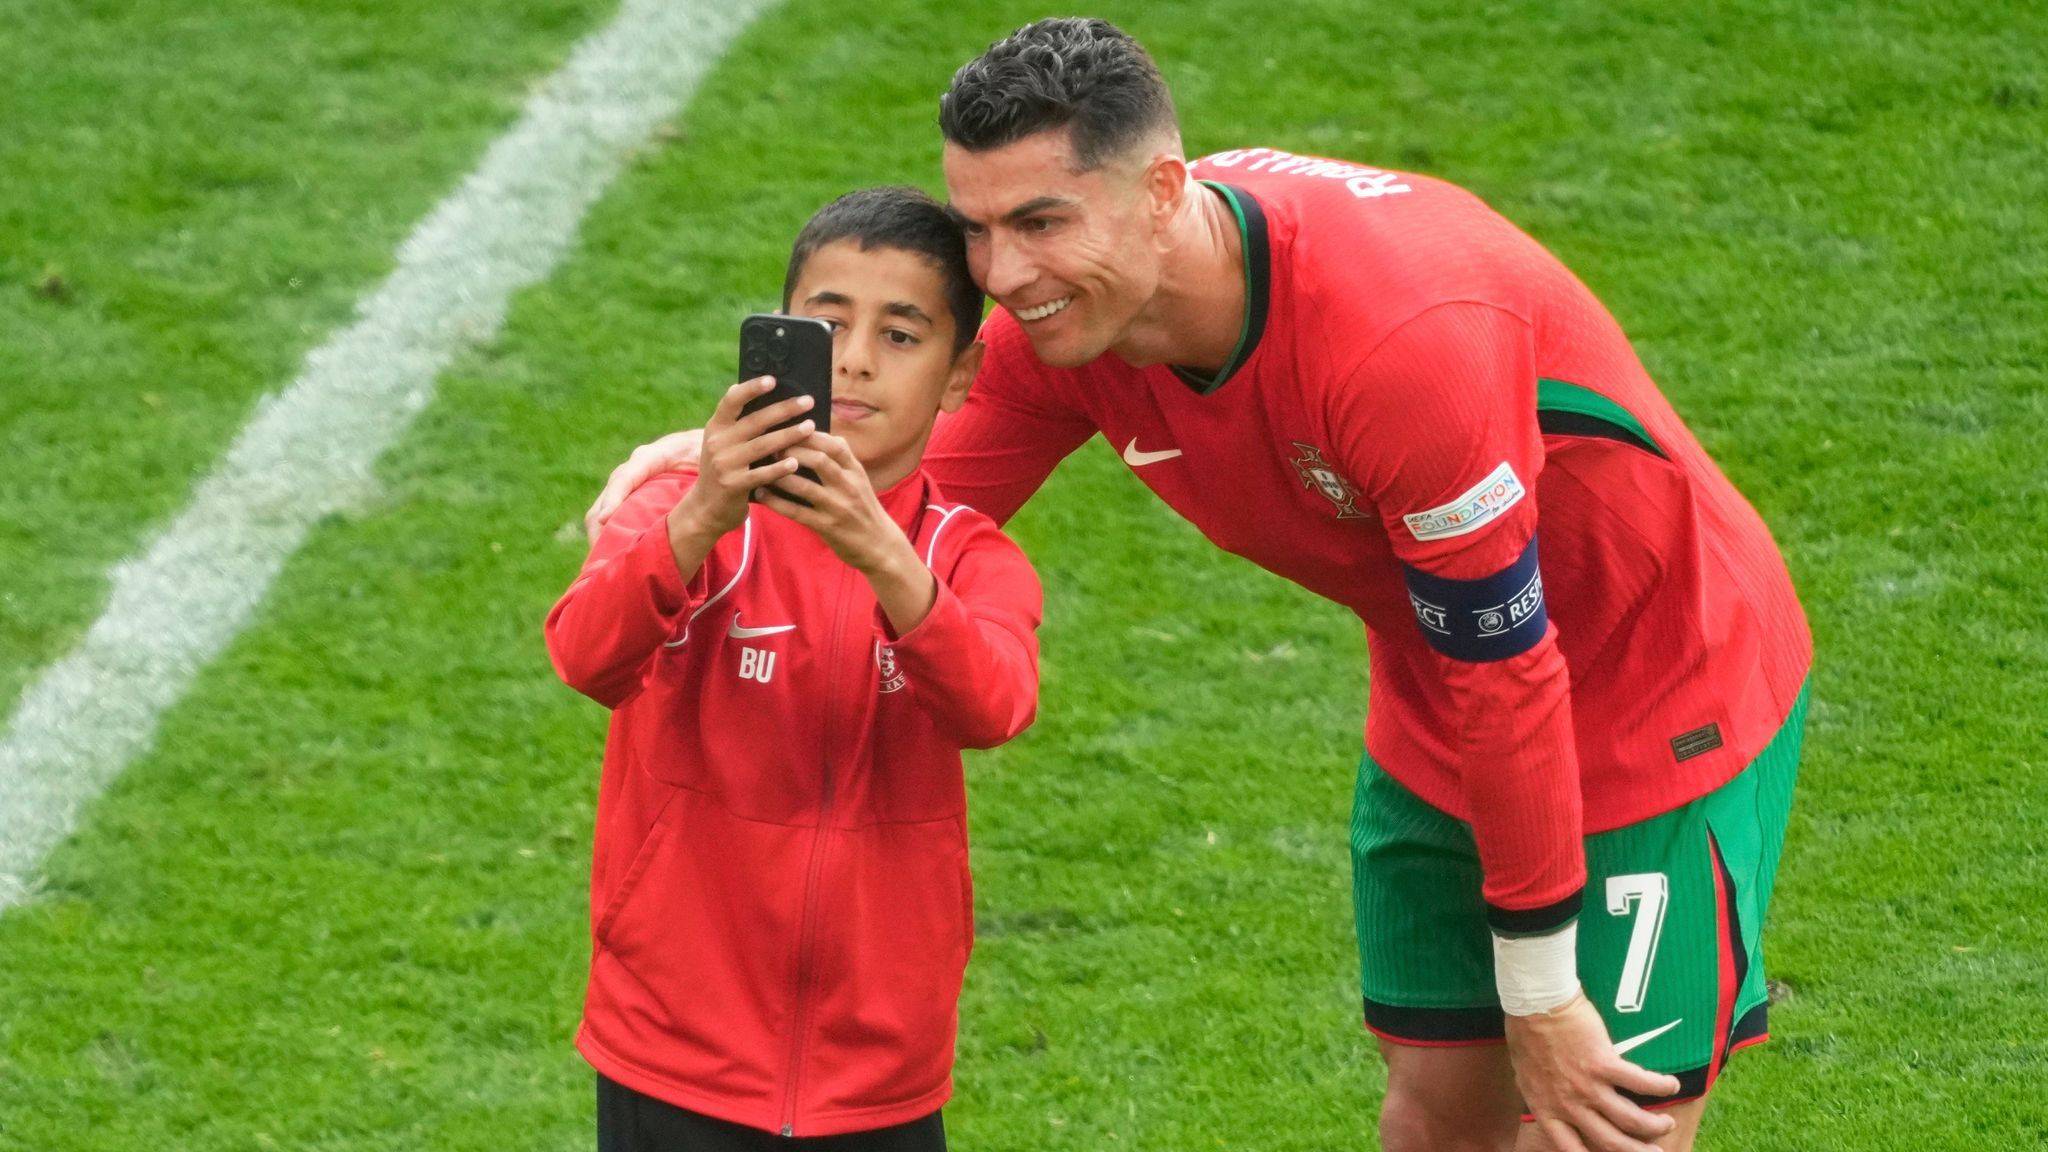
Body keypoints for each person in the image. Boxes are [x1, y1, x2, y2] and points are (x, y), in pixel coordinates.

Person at [584, 19, 1812, 1152]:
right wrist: (713, 471)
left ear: (1164, 190)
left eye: (1042, 222)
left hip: (1658, 688)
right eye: (978, 228)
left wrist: (1541, 990)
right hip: (1443, 703)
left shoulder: (1399, 347)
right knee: (1436, 1120)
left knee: (1597, 1135)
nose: (1001, 278)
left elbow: (1512, 666)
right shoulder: (1073, 328)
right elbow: (894, 508)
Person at [546, 186, 1042, 1151]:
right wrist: (698, 519)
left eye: (901, 336)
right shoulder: (684, 516)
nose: (855, 358)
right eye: (828, 323)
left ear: (959, 374)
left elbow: (995, 705)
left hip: (879, 1071)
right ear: (780, 333)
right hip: (674, 1049)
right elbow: (583, 655)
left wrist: (882, 557)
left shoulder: (968, 555)